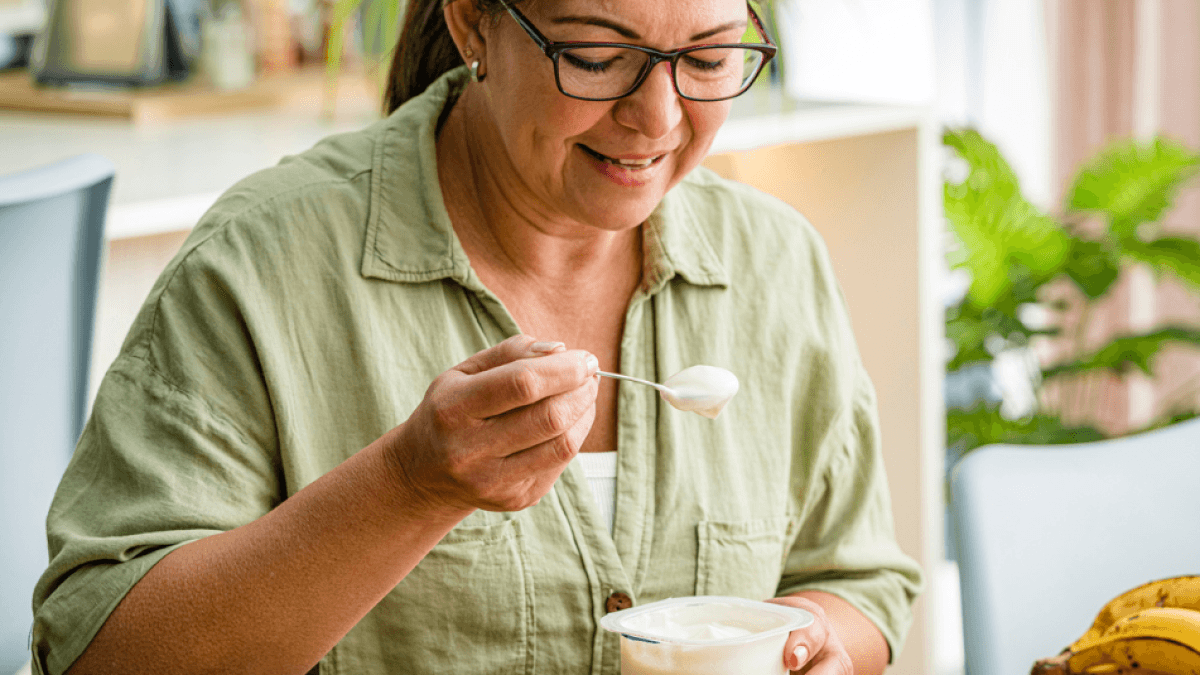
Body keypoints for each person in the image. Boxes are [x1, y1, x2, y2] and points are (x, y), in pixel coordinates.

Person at [31, 0, 922, 673]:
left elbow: (859, 581)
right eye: (597, 56)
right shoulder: (265, 264)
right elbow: (93, 649)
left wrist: (821, 643)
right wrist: (405, 487)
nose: (658, 118)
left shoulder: (773, 260)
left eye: (710, 56)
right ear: (473, 26)